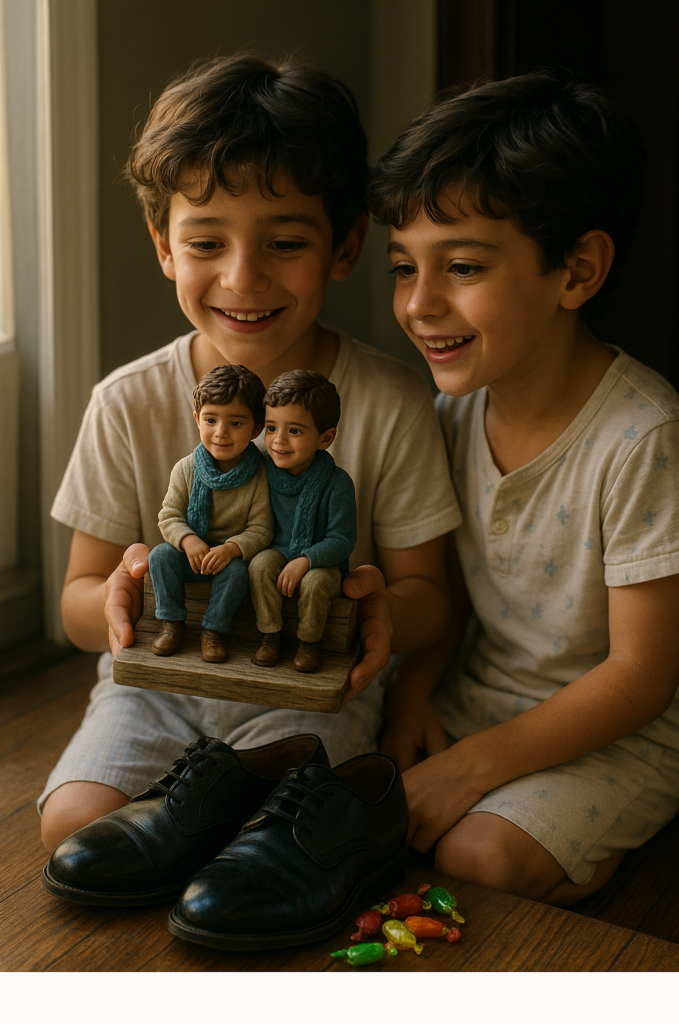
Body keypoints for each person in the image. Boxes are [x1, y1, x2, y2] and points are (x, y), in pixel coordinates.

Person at [39, 54, 460, 852]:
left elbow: (428, 600)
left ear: (344, 245)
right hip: (157, 688)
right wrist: (121, 597)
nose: (242, 277)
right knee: (72, 828)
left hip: (312, 687)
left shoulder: (393, 402)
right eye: (206, 243)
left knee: (266, 848)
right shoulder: (125, 402)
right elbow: (76, 605)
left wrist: (372, 602)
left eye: (285, 242)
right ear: (163, 245)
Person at [370, 70, 679, 906]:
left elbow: (641, 675)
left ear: (576, 272)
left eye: (461, 266)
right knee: (333, 786)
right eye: (404, 267)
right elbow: (456, 591)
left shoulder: (640, 435)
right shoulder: (447, 415)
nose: (419, 304)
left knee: (479, 858)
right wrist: (413, 691)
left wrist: (471, 767)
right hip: (481, 696)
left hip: (620, 729)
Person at [149, 363, 272, 663]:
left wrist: (231, 549)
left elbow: (262, 528)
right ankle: (172, 623)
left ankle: (213, 631)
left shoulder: (260, 474)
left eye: (236, 423)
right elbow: (169, 516)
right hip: (192, 554)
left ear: (256, 428)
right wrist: (188, 540)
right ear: (197, 420)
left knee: (237, 572)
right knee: (160, 556)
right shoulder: (186, 468)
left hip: (227, 560)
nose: (221, 433)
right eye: (211, 420)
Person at [249, 370, 357, 674]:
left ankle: (309, 642)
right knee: (259, 565)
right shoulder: (259, 468)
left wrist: (307, 560)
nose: (278, 440)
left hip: (320, 562)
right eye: (271, 428)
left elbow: (342, 540)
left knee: (316, 583)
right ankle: (270, 635)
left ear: (325, 437)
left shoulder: (337, 484)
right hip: (276, 551)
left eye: (294, 431)